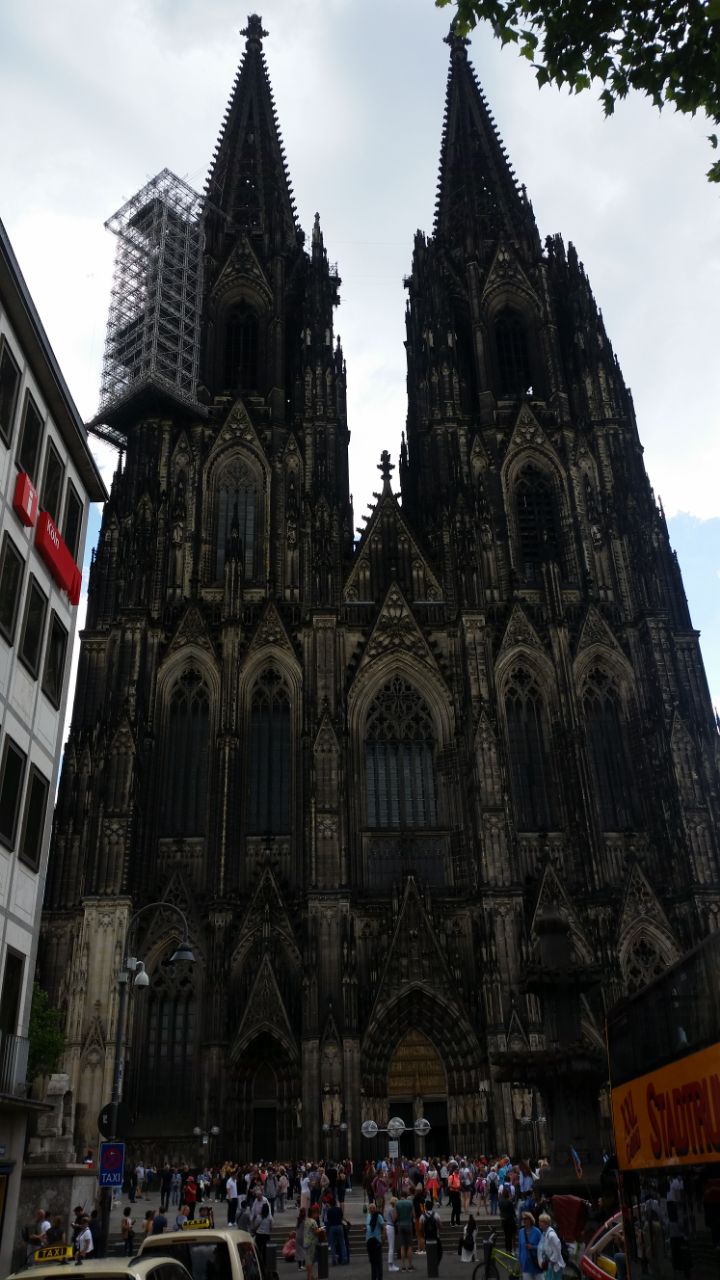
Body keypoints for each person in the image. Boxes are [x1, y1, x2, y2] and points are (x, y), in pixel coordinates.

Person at [537, 1214, 566, 1280]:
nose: (539, 1223)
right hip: (550, 1265)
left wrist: (550, 1260)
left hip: (555, 1266)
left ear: (546, 1223)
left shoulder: (551, 1235)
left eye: (541, 1221)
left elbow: (557, 1250)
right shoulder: (544, 1233)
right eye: (539, 1221)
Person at [395, 1189, 414, 1273]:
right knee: (409, 1246)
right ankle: (410, 1266)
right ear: (406, 1196)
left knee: (402, 1246)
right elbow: (413, 1215)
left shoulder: (397, 1203)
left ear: (400, 1196)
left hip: (400, 1224)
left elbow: (396, 1216)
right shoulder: (410, 1203)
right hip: (408, 1224)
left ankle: (403, 1266)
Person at [518, 1211, 542, 1280]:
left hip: (536, 1263)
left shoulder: (537, 1231)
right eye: (523, 1219)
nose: (524, 1220)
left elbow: (543, 1247)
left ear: (530, 1219)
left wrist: (533, 1247)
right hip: (525, 1264)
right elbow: (520, 1247)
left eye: (526, 1219)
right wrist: (519, 1261)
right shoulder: (521, 1232)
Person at [366, 1202, 386, 1280]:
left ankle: (379, 1277)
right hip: (369, 1241)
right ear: (369, 1210)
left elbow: (384, 1227)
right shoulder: (368, 1216)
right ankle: (374, 1277)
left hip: (376, 1241)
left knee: (378, 1261)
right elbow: (368, 1227)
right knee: (372, 1261)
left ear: (375, 1209)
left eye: (373, 1208)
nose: (372, 1210)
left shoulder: (378, 1216)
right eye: (370, 1208)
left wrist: (383, 1237)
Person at [420, 1201, 442, 1265]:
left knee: (429, 1252)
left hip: (427, 1237)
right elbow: (440, 1226)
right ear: (432, 1207)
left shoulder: (422, 1216)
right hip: (435, 1236)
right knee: (439, 1251)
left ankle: (430, 1263)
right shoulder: (436, 1215)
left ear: (425, 1207)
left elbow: (420, 1228)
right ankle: (436, 1263)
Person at [255, 1201, 273, 1274]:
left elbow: (256, 1225)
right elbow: (271, 1227)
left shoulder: (259, 1217)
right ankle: (265, 1264)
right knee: (265, 1251)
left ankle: (258, 1263)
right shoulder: (270, 1217)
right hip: (266, 1235)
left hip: (259, 1235)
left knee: (258, 1249)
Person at [304, 1205, 320, 1280]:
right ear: (313, 1213)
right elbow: (315, 1232)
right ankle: (310, 1276)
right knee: (310, 1260)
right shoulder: (313, 1222)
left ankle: (310, 1276)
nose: (318, 1215)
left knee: (308, 1259)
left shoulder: (306, 1220)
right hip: (311, 1243)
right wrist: (321, 1230)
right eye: (317, 1213)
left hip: (306, 1242)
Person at [500, 1188, 516, 1253]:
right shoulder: (509, 1202)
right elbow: (513, 1212)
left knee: (506, 1235)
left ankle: (507, 1249)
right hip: (510, 1220)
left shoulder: (500, 1202)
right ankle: (510, 1249)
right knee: (510, 1235)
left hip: (503, 1220)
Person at [386, 1196, 399, 1272]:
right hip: (391, 1227)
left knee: (391, 1246)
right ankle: (390, 1265)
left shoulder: (389, 1208)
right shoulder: (393, 1209)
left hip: (388, 1226)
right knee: (391, 1247)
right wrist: (398, 1214)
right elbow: (394, 1219)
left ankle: (391, 1264)